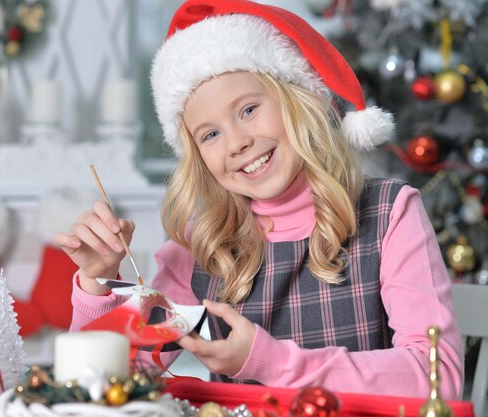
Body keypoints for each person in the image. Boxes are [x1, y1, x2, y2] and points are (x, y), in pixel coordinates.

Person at [54, 0, 464, 399]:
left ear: (298, 101)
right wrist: (96, 284)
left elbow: (436, 381)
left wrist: (270, 361)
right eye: (210, 134)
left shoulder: (389, 213)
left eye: (248, 109)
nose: (237, 142)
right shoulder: (203, 247)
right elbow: (109, 382)